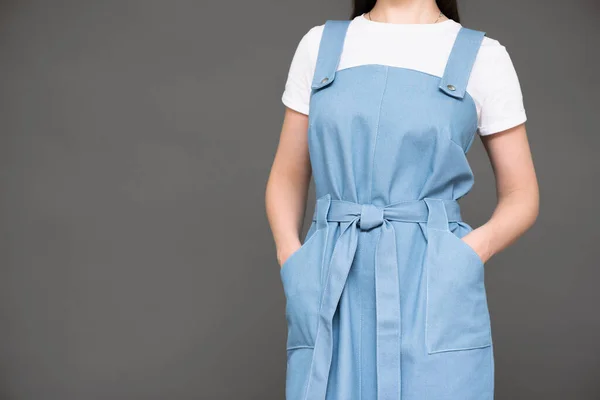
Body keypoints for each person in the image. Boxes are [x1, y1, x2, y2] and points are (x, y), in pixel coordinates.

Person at [265, 0, 539, 398]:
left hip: (432, 284)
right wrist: (293, 259)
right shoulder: (320, 46)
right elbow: (287, 176)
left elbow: (522, 194)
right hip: (331, 279)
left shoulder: (484, 58)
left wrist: (465, 255)